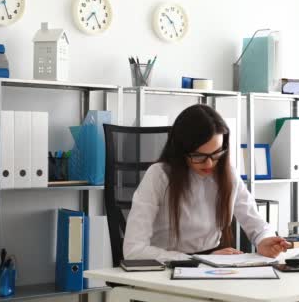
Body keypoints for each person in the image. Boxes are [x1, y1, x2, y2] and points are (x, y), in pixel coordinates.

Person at [123, 104, 290, 261]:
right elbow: (133, 250)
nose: (209, 163)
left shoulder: (228, 174)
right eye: (199, 156)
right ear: (181, 151)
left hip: (213, 265)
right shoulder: (159, 176)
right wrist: (199, 260)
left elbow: (257, 224)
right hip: (164, 267)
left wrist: (265, 240)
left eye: (216, 154)